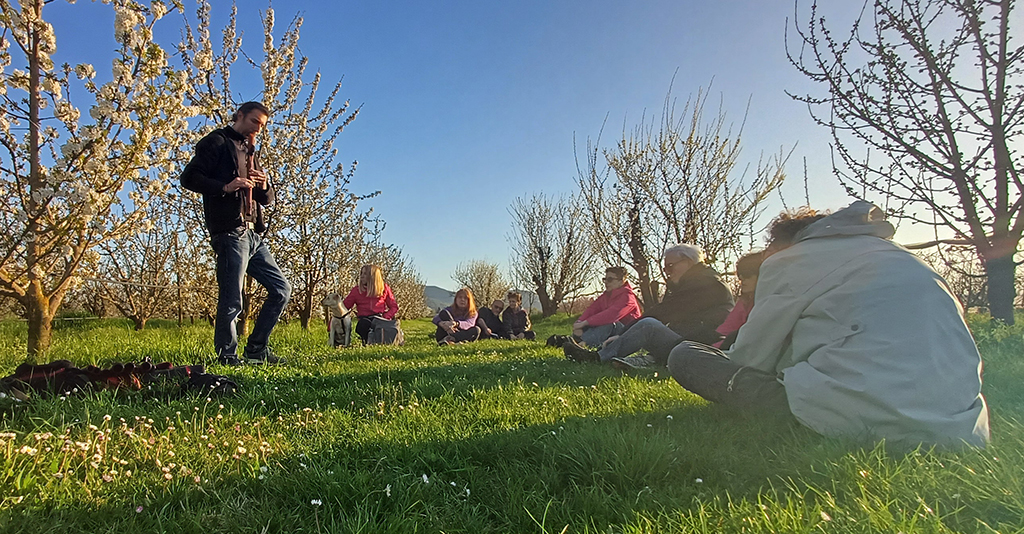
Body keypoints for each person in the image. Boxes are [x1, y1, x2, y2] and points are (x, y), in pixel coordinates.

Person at [666, 202, 990, 448]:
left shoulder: (792, 259)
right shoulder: (903, 257)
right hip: (962, 428)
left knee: (684, 355)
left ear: (780, 245)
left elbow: (751, 357)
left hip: (864, 422)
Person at [180, 101, 291, 366]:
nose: (258, 129)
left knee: (281, 289)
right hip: (229, 231)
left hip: (253, 233)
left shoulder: (251, 150)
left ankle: (256, 350)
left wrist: (264, 185)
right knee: (232, 298)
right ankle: (227, 356)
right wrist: (226, 186)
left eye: (262, 126)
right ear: (239, 115)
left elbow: (267, 199)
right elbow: (189, 178)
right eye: (254, 122)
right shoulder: (216, 142)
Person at [564, 244, 733, 368]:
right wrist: (581, 321)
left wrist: (621, 333)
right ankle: (588, 346)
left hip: (697, 346)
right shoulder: (691, 282)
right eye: (665, 267)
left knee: (647, 325)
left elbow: (664, 312)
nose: (667, 271)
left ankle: (597, 358)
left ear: (688, 262)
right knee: (638, 325)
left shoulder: (707, 284)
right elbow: (593, 309)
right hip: (685, 340)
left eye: (670, 266)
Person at [557, 267, 642, 349]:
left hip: (627, 333)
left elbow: (611, 315)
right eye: (605, 279)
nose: (606, 282)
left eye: (610, 279)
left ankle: (582, 343)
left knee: (610, 324)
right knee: (591, 324)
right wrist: (580, 322)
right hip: (610, 331)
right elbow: (592, 309)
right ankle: (570, 340)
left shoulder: (628, 297)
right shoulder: (606, 296)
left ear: (621, 281)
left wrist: (585, 323)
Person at [713, 250, 764, 350]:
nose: (741, 278)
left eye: (747, 274)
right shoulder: (745, 302)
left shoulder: (771, 302)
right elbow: (725, 330)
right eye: (740, 274)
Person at [342, 264, 399, 345]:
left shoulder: (384, 288)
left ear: (372, 276)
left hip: (379, 318)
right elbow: (344, 308)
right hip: (365, 319)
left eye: (365, 274)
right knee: (363, 325)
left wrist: (386, 316)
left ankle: (376, 340)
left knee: (381, 327)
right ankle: (368, 341)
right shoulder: (356, 291)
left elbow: (394, 307)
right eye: (361, 273)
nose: (361, 276)